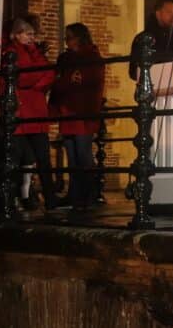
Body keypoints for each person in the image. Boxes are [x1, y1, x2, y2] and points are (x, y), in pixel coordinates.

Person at [4, 17, 59, 210]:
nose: (32, 38)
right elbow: (21, 79)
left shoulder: (35, 52)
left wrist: (35, 81)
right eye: (28, 34)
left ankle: (50, 199)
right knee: (17, 159)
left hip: (36, 111)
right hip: (22, 112)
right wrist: (37, 78)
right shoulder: (11, 52)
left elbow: (49, 74)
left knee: (44, 159)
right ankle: (13, 199)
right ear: (17, 34)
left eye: (33, 34)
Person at [51, 23, 105, 210]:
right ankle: (75, 194)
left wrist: (70, 81)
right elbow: (58, 82)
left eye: (70, 37)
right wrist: (67, 81)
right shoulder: (65, 58)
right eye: (66, 37)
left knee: (83, 153)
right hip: (68, 110)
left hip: (83, 112)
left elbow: (91, 82)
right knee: (72, 156)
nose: (67, 41)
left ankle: (90, 194)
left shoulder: (92, 57)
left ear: (80, 38)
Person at [128, 0, 173, 80]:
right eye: (169, 12)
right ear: (158, 14)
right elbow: (134, 72)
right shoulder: (143, 39)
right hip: (152, 86)